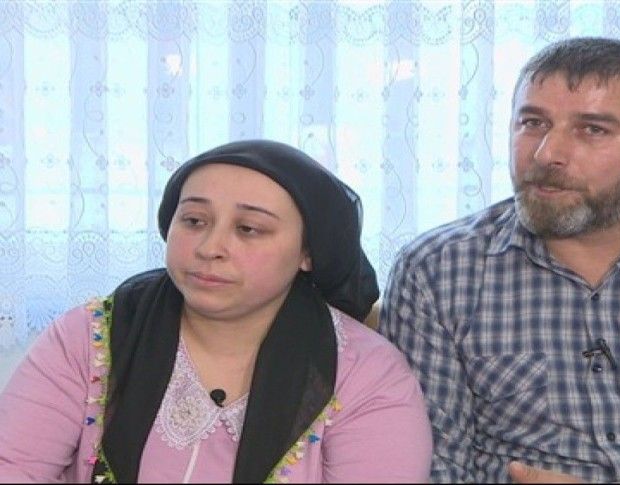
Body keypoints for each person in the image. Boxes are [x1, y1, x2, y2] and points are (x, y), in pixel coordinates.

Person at [379, 37, 620, 483]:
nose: (547, 154)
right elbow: (431, 464)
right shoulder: (436, 270)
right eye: (532, 123)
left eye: (592, 130)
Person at [0, 140, 432, 483]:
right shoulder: (91, 335)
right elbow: (13, 466)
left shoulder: (364, 374)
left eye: (249, 229)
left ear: (308, 252)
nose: (210, 248)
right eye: (194, 221)